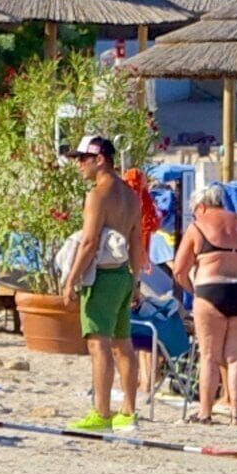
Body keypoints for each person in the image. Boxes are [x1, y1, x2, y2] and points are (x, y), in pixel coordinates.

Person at [62, 136, 140, 433]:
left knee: (99, 344)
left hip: (103, 275)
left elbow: (90, 241)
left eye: (83, 158)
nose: (79, 164)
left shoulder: (98, 194)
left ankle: (102, 413)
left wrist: (71, 279)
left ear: (100, 159)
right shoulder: (130, 195)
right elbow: (136, 240)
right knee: (123, 344)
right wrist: (135, 281)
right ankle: (128, 411)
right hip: (122, 274)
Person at [171, 189, 237, 423]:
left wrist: (194, 292)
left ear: (201, 206)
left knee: (210, 356)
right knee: (236, 356)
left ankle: (205, 412)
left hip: (211, 289)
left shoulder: (198, 226)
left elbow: (179, 270)